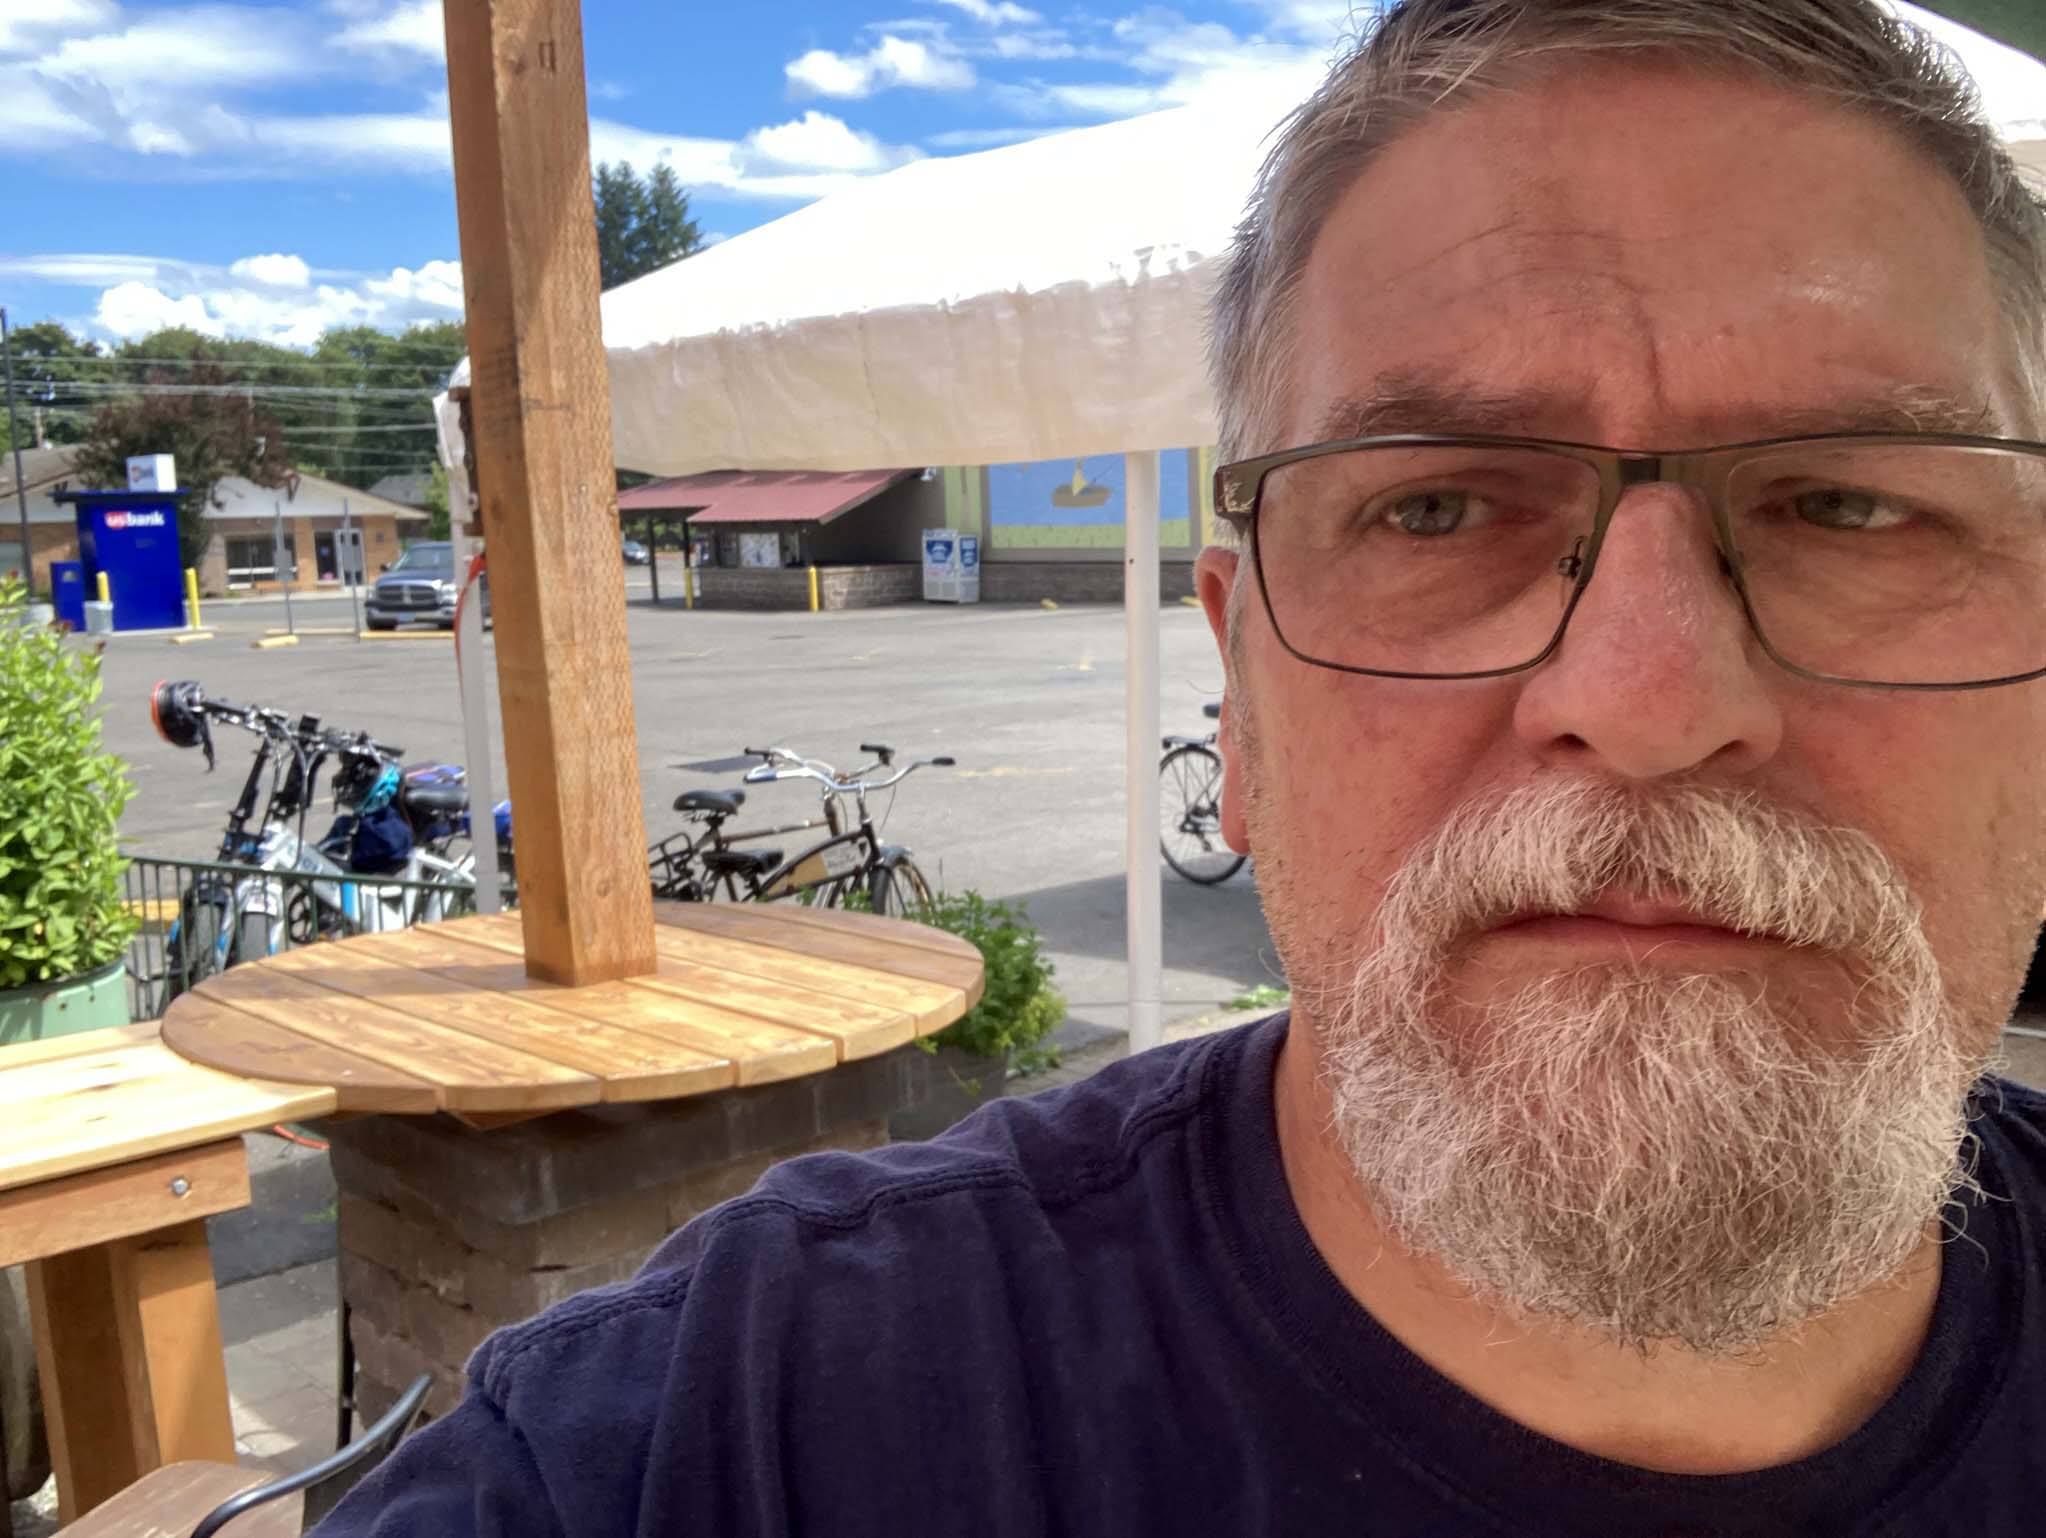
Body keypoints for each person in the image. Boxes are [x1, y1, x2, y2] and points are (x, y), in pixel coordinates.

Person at [320, 2, 2046, 1531]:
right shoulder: (720, 1433)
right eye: (1435, 505)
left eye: (1852, 502)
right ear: (1238, 696)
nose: (1649, 697)